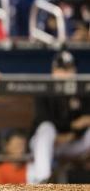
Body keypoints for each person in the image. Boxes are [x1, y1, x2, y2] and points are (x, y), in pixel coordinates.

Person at [27, 51, 90, 183]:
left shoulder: (82, 91)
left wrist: (73, 134)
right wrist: (71, 126)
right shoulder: (44, 90)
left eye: (70, 69)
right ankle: (42, 178)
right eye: (63, 69)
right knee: (46, 128)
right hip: (45, 143)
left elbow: (86, 121)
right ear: (54, 70)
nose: (67, 73)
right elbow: (42, 120)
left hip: (72, 142)